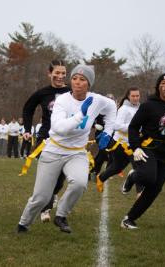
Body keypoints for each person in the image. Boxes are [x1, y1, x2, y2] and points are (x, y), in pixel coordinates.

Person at [17, 64, 116, 233]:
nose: (77, 82)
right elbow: (59, 127)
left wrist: (108, 131)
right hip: (54, 149)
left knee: (79, 183)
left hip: (76, 152)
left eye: (82, 80)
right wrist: (80, 115)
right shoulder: (62, 100)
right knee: (42, 197)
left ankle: (61, 215)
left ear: (89, 84)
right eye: (74, 78)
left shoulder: (96, 100)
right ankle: (24, 223)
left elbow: (112, 107)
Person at [120, 74, 165, 230]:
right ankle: (133, 176)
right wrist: (136, 147)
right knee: (148, 177)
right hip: (149, 147)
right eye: (163, 83)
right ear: (158, 86)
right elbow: (133, 127)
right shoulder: (148, 105)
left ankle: (129, 219)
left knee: (155, 189)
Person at [21, 60, 70, 222]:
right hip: (46, 139)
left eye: (63, 73)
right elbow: (27, 109)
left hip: (66, 140)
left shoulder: (72, 92)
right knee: (49, 175)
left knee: (60, 178)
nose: (60, 76)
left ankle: (52, 196)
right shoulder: (42, 93)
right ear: (49, 73)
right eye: (57, 73)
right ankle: (45, 208)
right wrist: (27, 130)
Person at [96, 87, 141, 192]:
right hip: (121, 144)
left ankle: (102, 177)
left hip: (134, 143)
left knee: (133, 168)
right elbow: (116, 125)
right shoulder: (124, 109)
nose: (135, 98)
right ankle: (139, 191)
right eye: (133, 96)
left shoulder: (140, 108)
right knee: (119, 167)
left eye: (137, 96)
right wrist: (132, 126)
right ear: (128, 96)